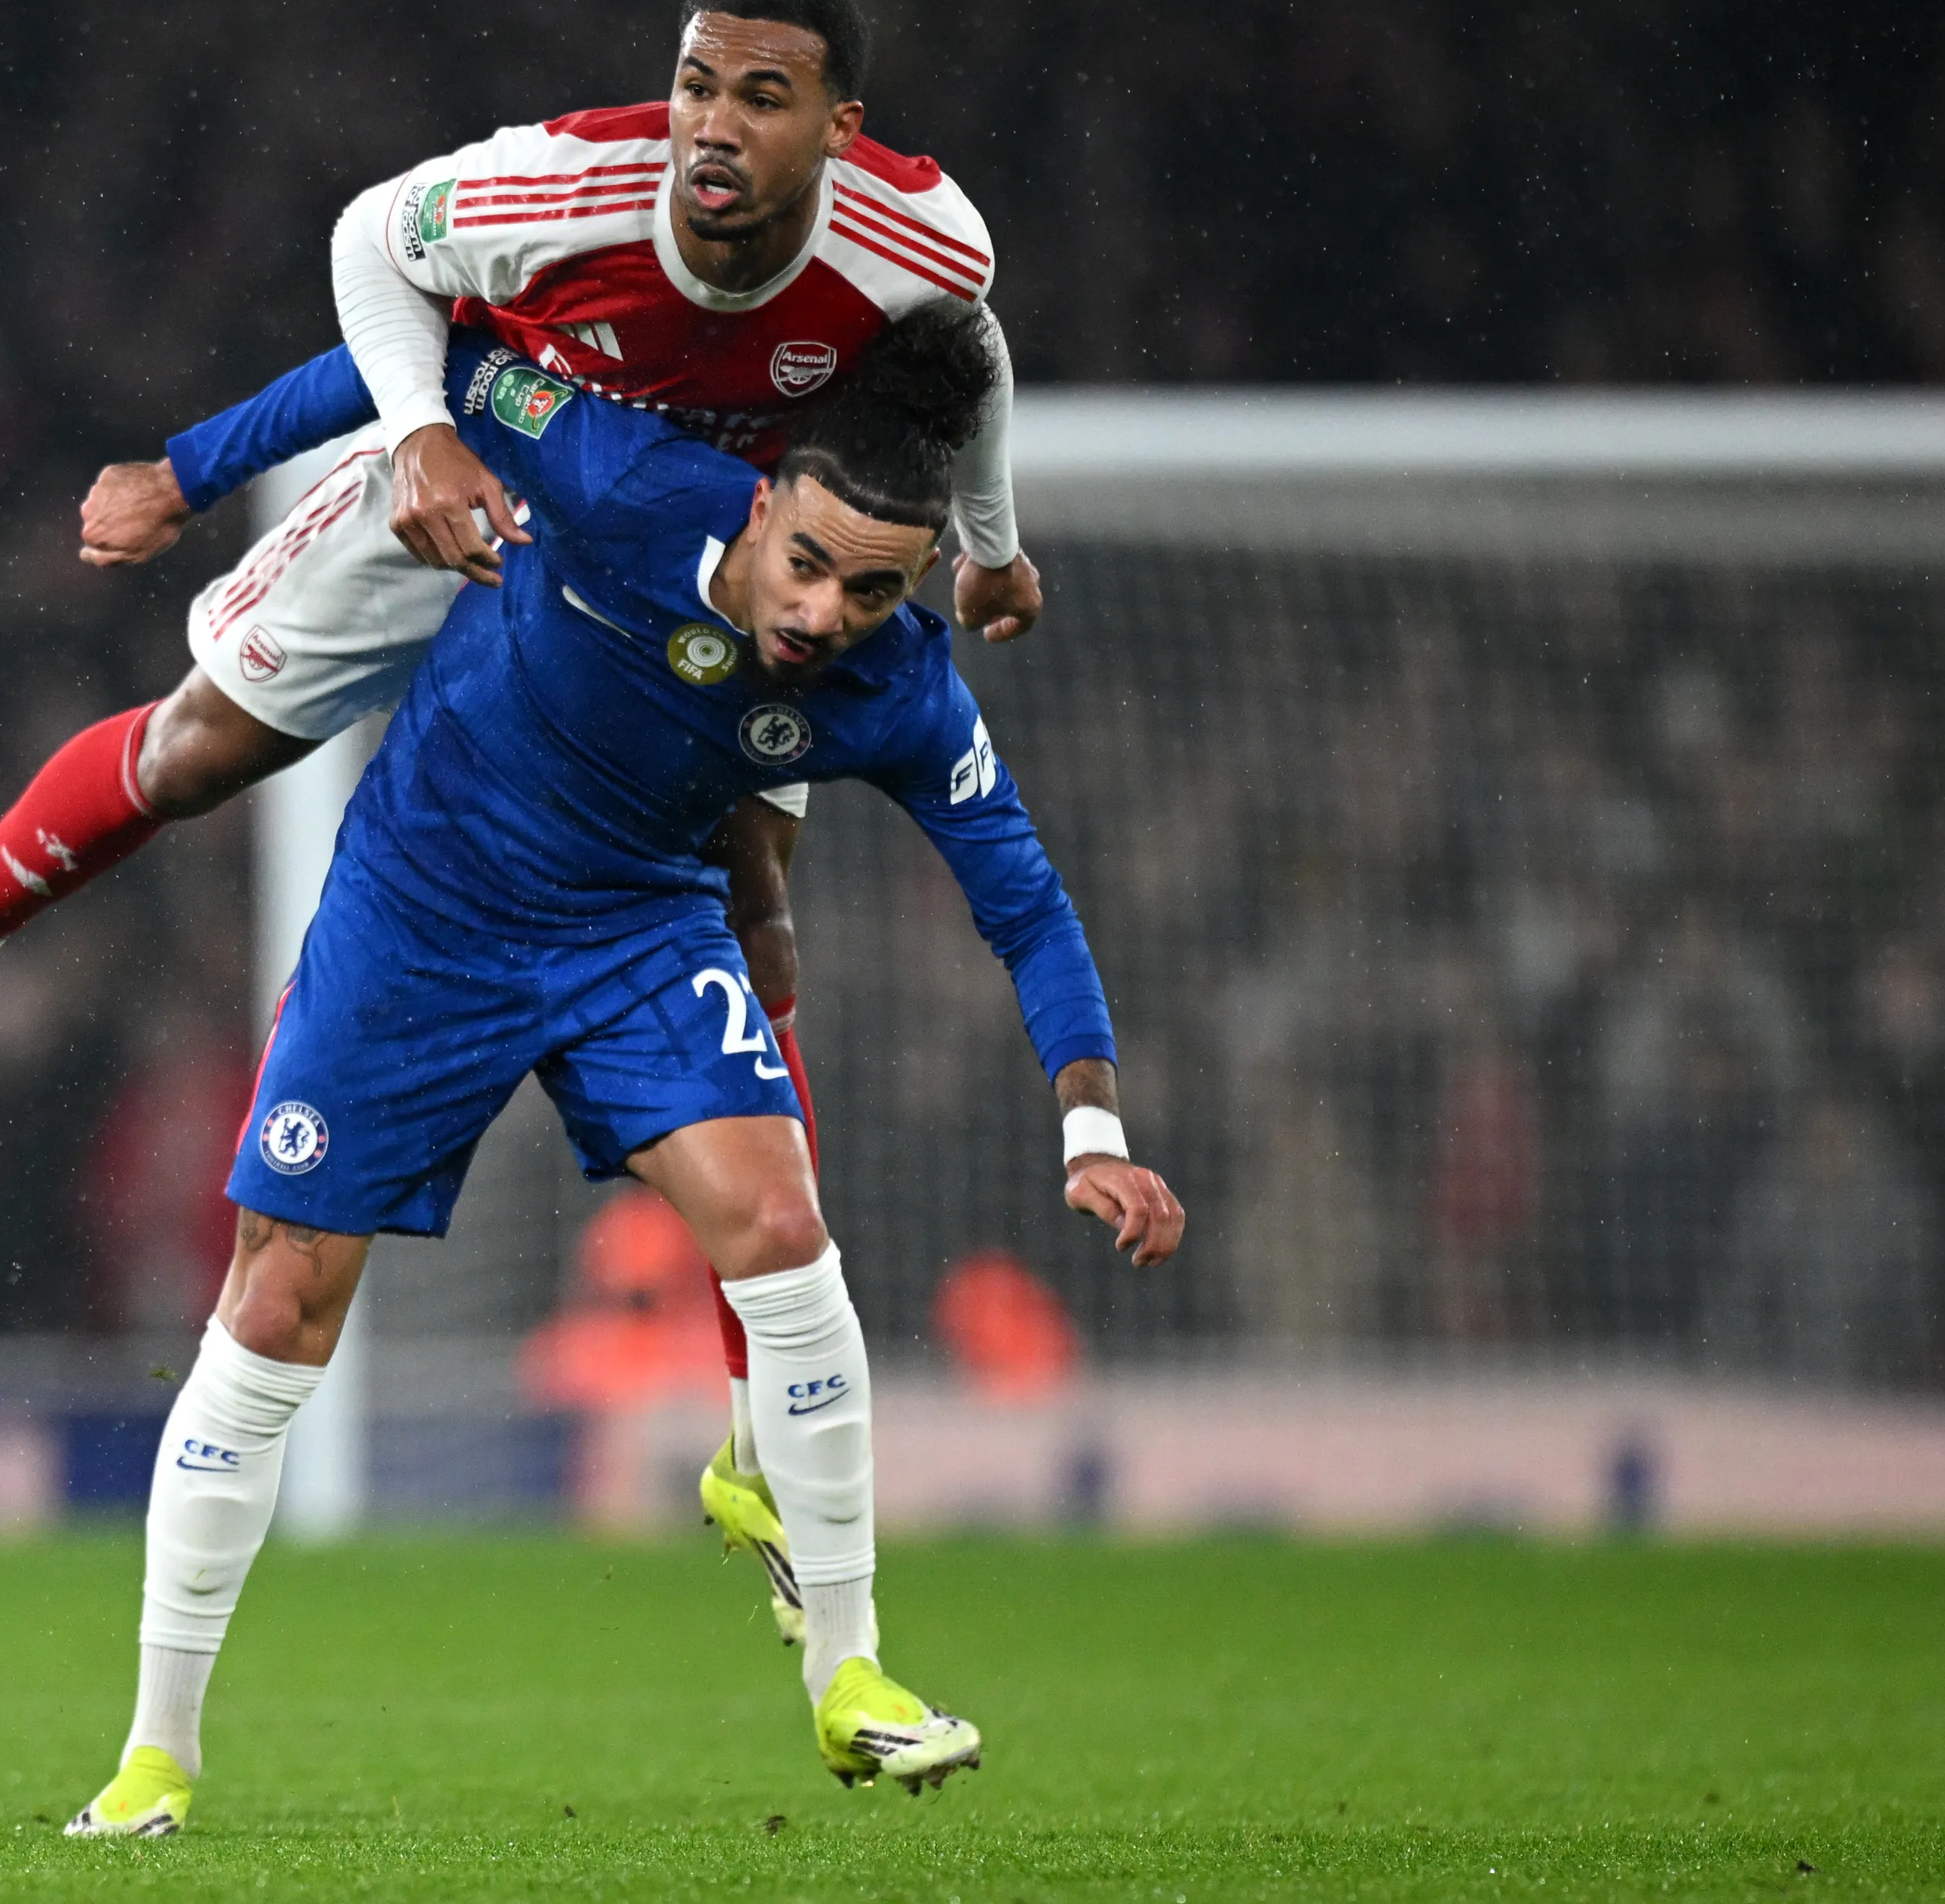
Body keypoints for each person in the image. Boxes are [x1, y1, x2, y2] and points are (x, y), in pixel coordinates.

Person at [0, 0, 1044, 1622]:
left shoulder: (912, 242)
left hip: (697, 580)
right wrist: (311, 452)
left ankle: (758, 1425)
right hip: (479, 478)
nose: (712, 124)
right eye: (694, 83)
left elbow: (972, 352)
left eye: (758, 95)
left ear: (838, 122)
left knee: (752, 924)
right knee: (196, 752)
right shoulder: (567, 187)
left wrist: (990, 540)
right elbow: (382, 267)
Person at [57, 307, 1181, 1836]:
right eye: (807, 561)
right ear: (767, 495)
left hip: (636, 926)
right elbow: (424, 357)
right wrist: (187, 471)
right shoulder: (620, 474)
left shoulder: (899, 686)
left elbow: (1025, 898)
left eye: (869, 589)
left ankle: (850, 1674)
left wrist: (1090, 1123)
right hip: (422, 906)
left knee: (783, 1232)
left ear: (912, 581)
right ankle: (155, 1751)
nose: (821, 611)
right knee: (278, 1300)